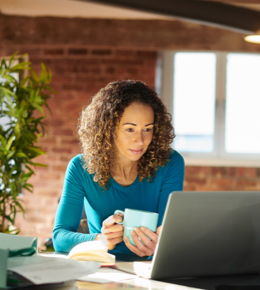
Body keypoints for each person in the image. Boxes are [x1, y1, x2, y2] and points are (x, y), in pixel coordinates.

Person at [52, 80, 185, 257]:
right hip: (103, 270)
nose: (140, 140)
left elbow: (167, 232)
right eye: (130, 129)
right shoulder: (80, 168)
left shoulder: (170, 163)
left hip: (151, 269)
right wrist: (99, 240)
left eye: (147, 129)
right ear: (108, 129)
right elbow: (59, 238)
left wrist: (161, 244)